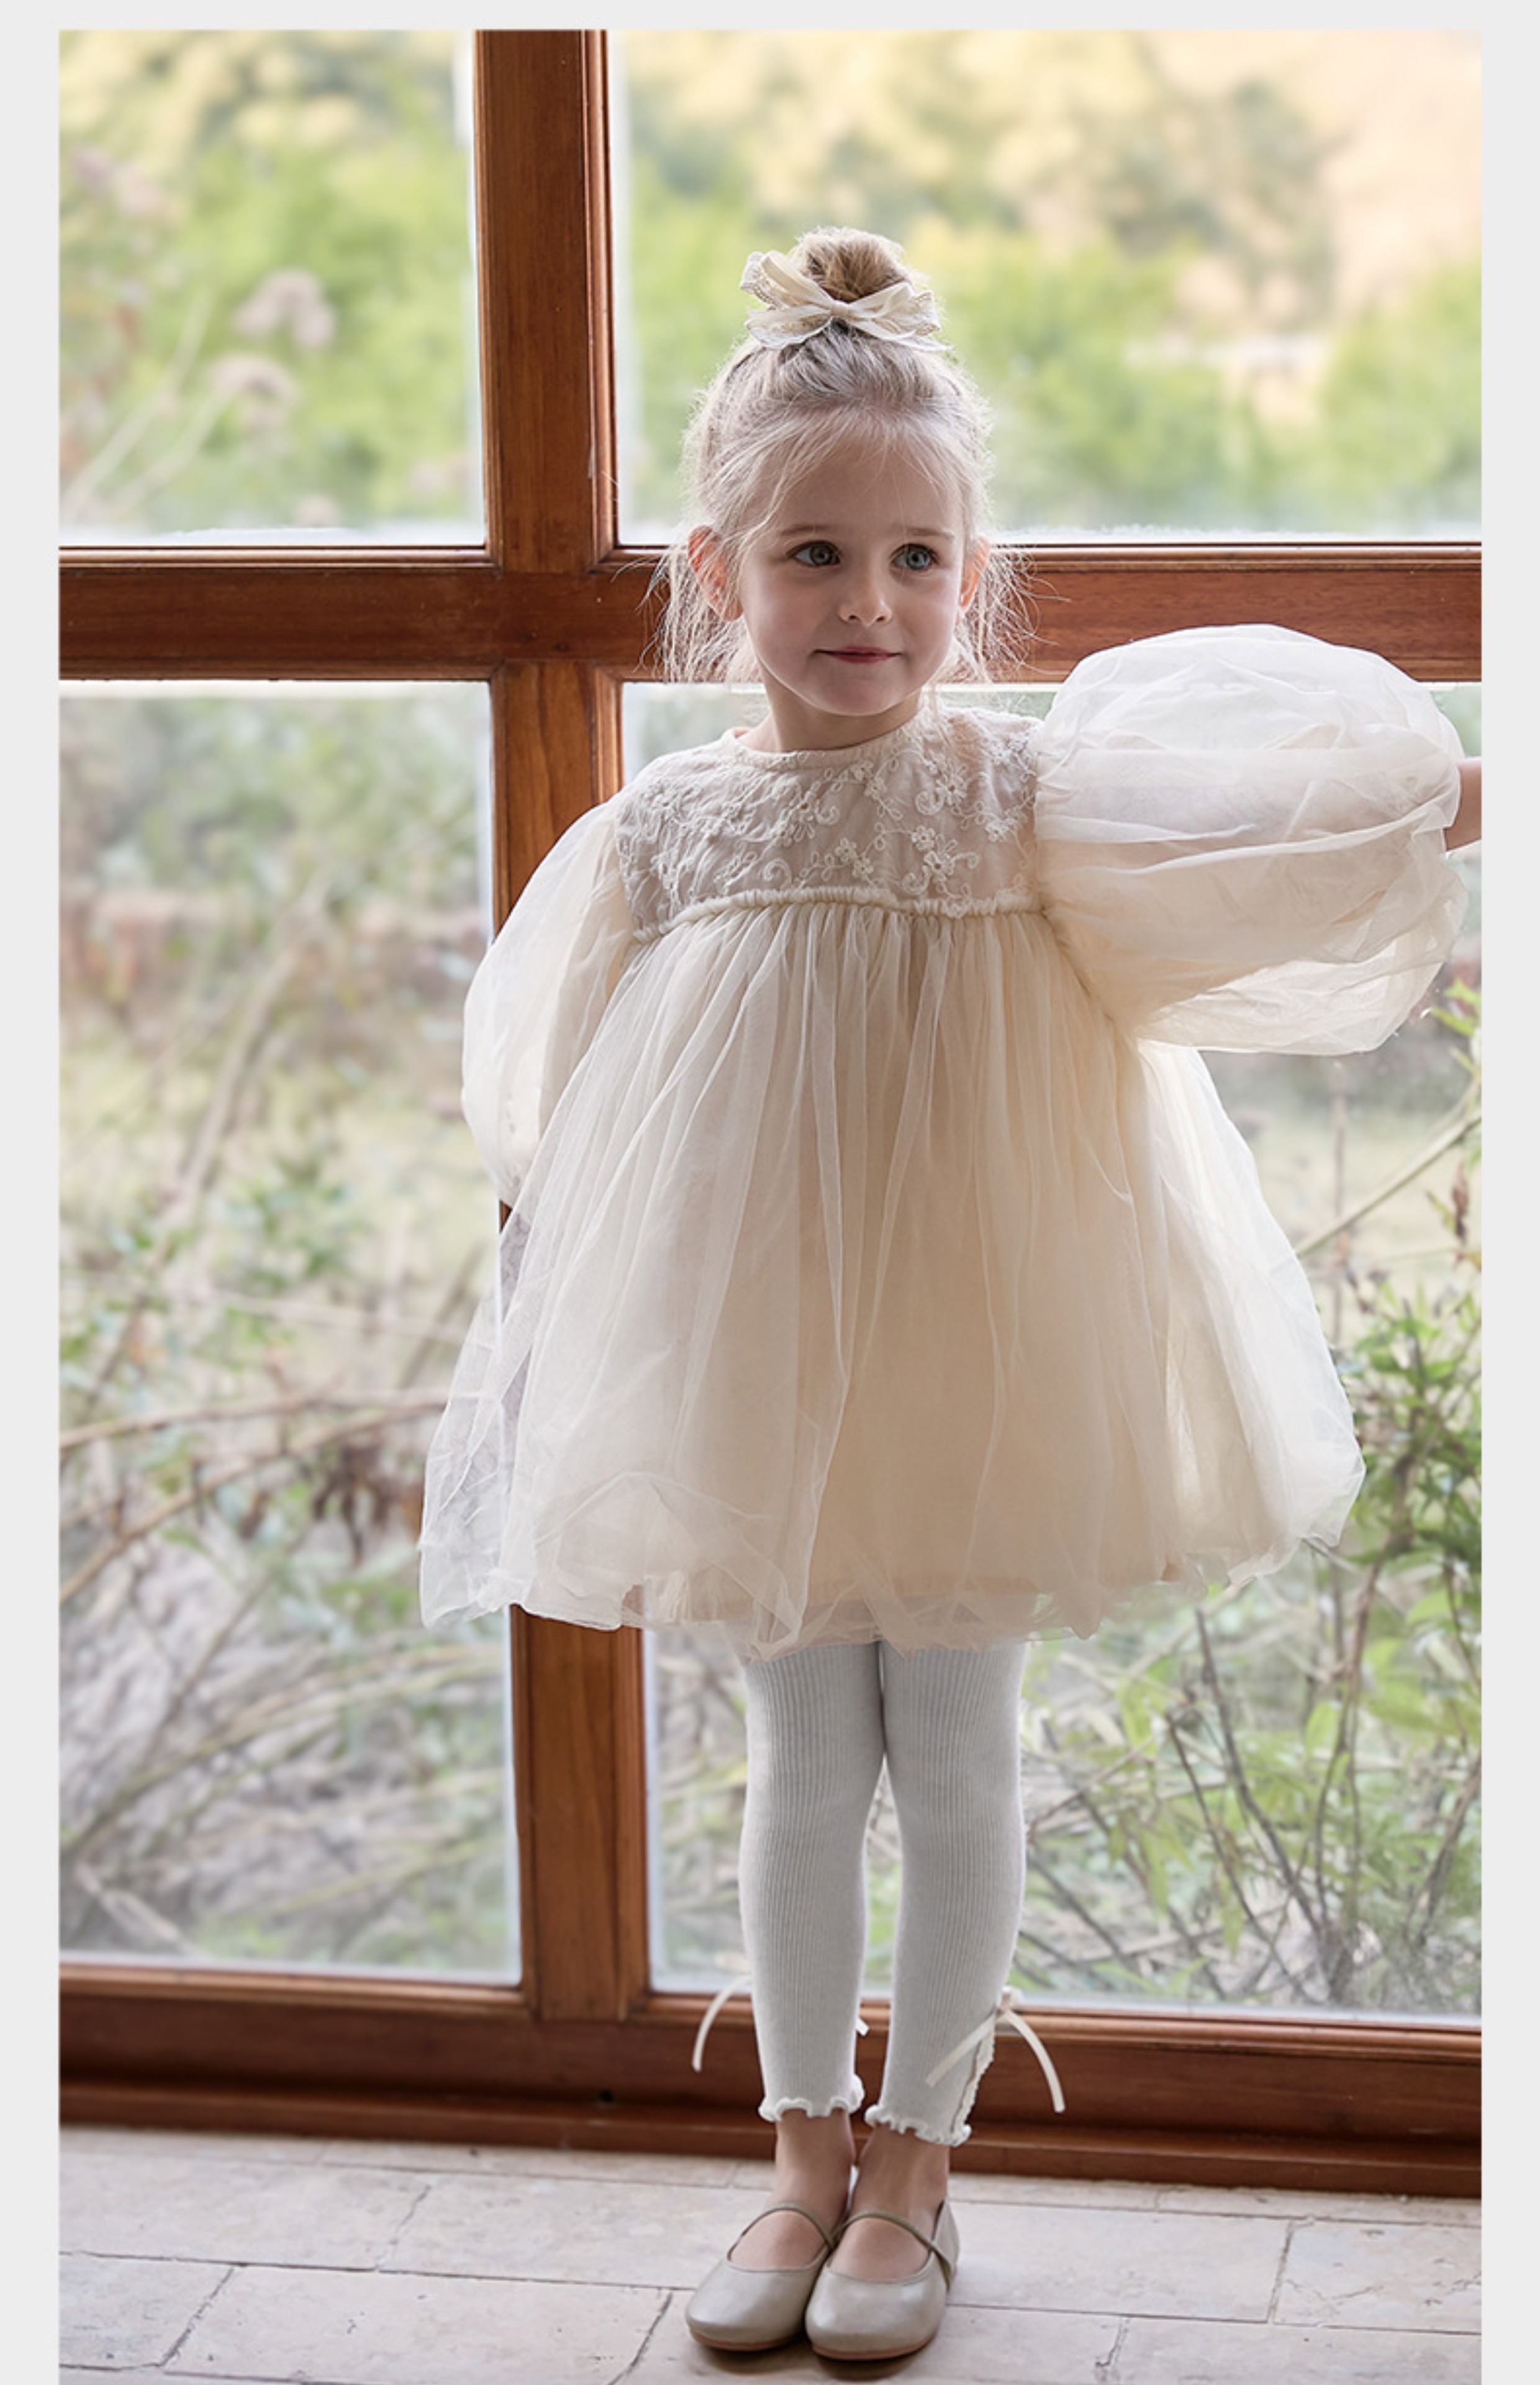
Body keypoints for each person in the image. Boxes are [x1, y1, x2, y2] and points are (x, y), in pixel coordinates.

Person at [419, 227, 1480, 2361]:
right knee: (803, 1751)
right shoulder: (667, 833)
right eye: (815, 555)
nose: (871, 604)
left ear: (971, 576)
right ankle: (798, 2160)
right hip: (760, 1352)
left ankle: (920, 2168)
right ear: (719, 576)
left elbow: (1266, 842)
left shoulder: (1029, 796)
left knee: (962, 1747)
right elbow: (559, 1103)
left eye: (919, 560)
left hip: (992, 1345)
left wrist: (1439, 801)